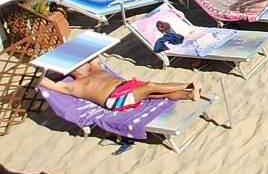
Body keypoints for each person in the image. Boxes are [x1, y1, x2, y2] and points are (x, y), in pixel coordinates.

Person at [38, 58, 201, 112]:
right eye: (79, 64)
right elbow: (47, 83)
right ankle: (189, 85)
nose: (84, 64)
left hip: (128, 86)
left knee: (160, 93)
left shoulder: (96, 69)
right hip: (115, 99)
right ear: (73, 70)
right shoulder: (75, 85)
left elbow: (93, 55)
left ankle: (189, 94)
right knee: (151, 86)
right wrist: (40, 65)